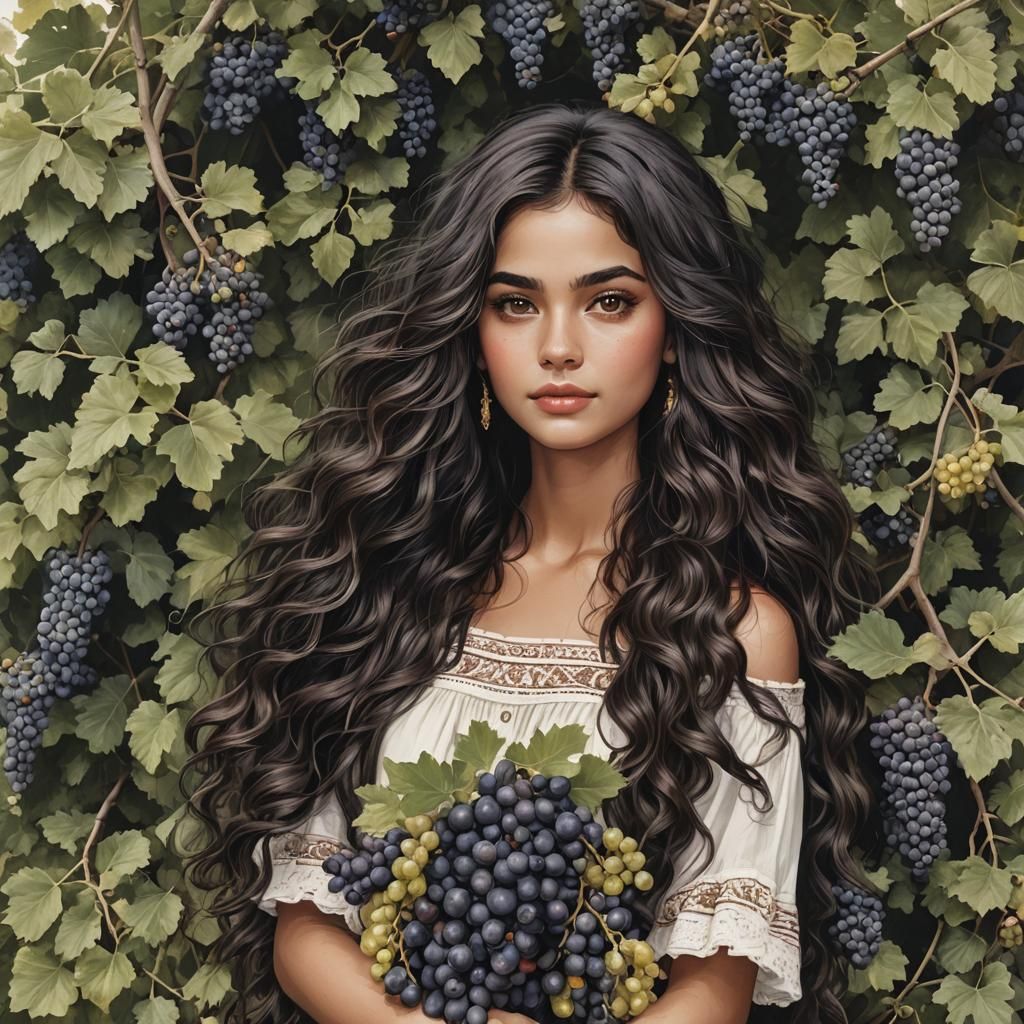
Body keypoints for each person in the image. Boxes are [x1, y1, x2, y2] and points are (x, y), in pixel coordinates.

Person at [181, 99, 881, 1024]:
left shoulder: (738, 630)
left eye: (609, 301)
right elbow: (307, 921)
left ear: (675, 326)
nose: (558, 347)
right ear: (471, 331)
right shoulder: (387, 580)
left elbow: (715, 988)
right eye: (516, 303)